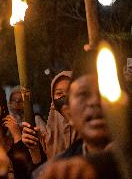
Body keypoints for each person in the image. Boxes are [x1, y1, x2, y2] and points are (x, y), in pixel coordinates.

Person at [34, 50, 113, 178]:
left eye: (104, 92)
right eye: (83, 94)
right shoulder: (53, 173)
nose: (94, 102)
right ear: (69, 114)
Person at [22, 71, 79, 165]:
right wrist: (34, 148)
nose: (64, 97)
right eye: (59, 93)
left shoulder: (91, 130)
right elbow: (40, 171)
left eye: (70, 91)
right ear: (52, 98)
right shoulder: (45, 137)